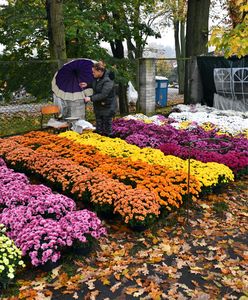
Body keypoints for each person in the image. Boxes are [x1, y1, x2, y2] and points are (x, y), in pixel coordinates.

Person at [79, 61, 116, 137]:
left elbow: (104, 94)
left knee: (107, 129)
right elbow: (95, 84)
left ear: (99, 71)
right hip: (98, 106)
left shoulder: (108, 80)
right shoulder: (97, 78)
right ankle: (99, 142)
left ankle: (109, 144)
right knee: (99, 128)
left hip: (107, 106)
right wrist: (87, 85)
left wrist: (90, 98)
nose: (93, 73)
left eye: (94, 72)